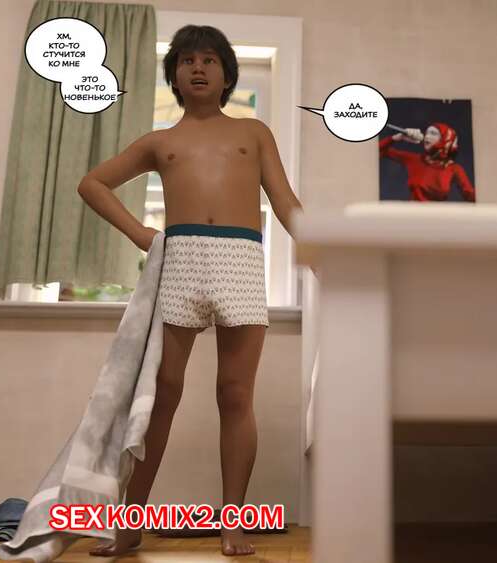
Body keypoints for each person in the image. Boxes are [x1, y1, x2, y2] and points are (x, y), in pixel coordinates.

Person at [76, 24, 302, 558]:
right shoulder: (161, 142)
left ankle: (234, 523)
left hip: (240, 262)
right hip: (179, 261)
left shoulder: (254, 133)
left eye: (209, 60)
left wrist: (321, 255)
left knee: (236, 394)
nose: (198, 68)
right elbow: (92, 183)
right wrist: (142, 233)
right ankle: (130, 523)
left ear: (227, 74)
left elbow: (286, 202)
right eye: (187, 60)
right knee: (161, 396)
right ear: (174, 76)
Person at [379, 122, 476, 202]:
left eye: (433, 133)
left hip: (437, 217)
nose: (427, 136)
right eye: (427, 133)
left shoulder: (454, 168)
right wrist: (397, 138)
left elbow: (471, 196)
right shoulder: (414, 159)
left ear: (445, 138)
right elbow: (377, 151)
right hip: (412, 215)